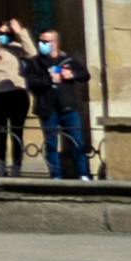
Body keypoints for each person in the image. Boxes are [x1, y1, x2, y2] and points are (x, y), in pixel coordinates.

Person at [34, 25, 92, 180]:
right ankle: (55, 175)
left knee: (77, 140)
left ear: (55, 43)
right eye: (40, 41)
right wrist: (49, 80)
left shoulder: (67, 60)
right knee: (51, 143)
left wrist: (70, 74)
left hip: (68, 107)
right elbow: (32, 84)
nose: (42, 44)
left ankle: (83, 173)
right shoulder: (36, 62)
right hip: (48, 108)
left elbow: (85, 75)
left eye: (46, 41)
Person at [0, 23, 33, 176]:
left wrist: (21, 32)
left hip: (17, 93)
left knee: (17, 132)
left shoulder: (16, 47)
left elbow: (32, 53)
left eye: (6, 33)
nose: (2, 35)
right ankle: (1, 166)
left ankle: (17, 168)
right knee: (0, 132)